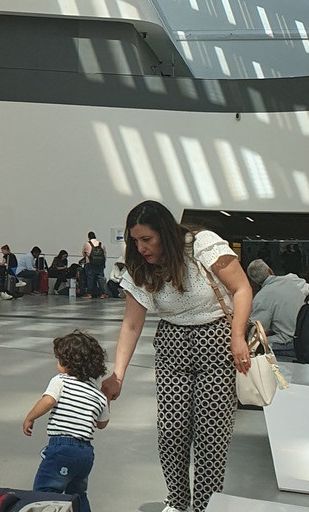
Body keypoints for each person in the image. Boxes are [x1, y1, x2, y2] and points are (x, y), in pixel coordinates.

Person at [101, 200, 253, 512]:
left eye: (147, 240)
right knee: (171, 431)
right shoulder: (138, 264)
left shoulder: (202, 246)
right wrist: (118, 374)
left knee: (212, 433)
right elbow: (132, 323)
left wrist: (237, 335)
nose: (141, 248)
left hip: (217, 342)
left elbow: (241, 289)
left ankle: (205, 505)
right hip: (172, 345)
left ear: (166, 234)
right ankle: (178, 501)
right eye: (135, 240)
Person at [23, 330, 110, 512]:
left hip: (62, 448)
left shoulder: (61, 381)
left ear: (67, 363)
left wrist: (30, 417)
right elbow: (102, 424)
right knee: (78, 495)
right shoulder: (98, 395)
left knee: (45, 491)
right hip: (86, 453)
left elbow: (48, 401)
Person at [246, 259, 309, 358]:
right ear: (270, 271)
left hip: (290, 343)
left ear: (253, 282)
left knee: (254, 344)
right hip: (306, 335)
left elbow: (258, 331)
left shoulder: (262, 297)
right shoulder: (291, 280)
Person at [83, 232, 107, 298]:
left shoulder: (87, 244)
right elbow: (104, 254)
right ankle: (102, 294)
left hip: (90, 264)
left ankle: (89, 294)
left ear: (88, 237)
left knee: (90, 279)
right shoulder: (101, 244)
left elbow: (83, 253)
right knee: (100, 279)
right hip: (100, 265)